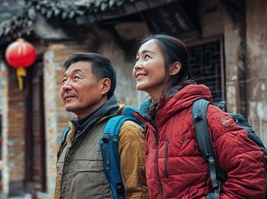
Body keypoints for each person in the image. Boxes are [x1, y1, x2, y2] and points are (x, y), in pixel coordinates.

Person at [132, 34, 266, 198]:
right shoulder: (151, 124)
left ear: (174, 68)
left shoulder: (205, 115)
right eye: (137, 59)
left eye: (147, 57)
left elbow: (251, 175)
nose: (137, 65)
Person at [55, 52, 148, 199]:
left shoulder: (126, 132)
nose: (66, 87)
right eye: (64, 80)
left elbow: (139, 193)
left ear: (104, 86)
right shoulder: (69, 134)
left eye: (76, 78)